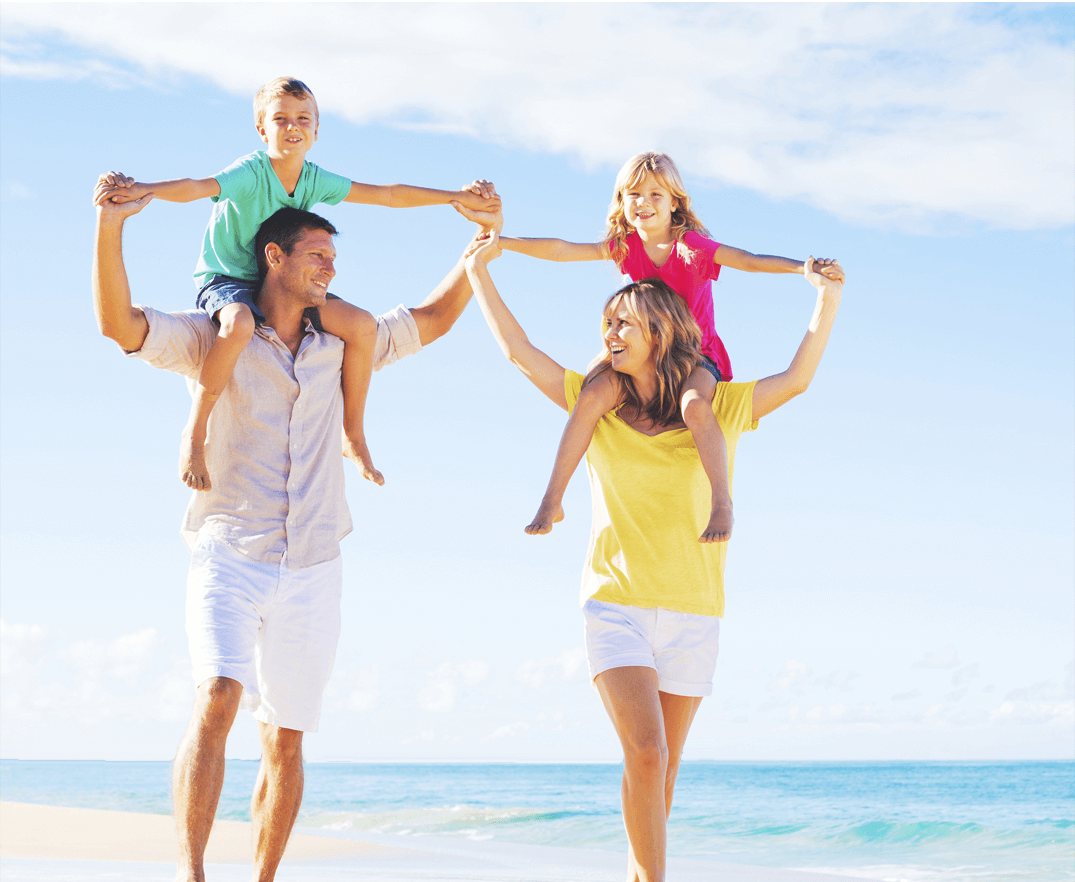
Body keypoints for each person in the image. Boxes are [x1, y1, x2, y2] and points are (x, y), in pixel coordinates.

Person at [92, 186, 493, 882]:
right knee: (217, 696)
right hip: (228, 550)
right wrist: (110, 229)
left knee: (284, 739)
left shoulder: (342, 344)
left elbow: (432, 319)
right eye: (316, 255)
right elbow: (119, 325)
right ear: (273, 257)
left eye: (333, 257)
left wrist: (479, 248)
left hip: (313, 564)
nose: (329, 268)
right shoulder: (213, 335)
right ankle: (190, 874)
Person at [462, 214, 843, 882]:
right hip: (616, 607)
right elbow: (521, 353)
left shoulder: (718, 408)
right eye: (605, 325)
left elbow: (797, 377)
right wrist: (478, 273)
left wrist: (825, 299)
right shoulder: (599, 407)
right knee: (643, 754)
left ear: (659, 336)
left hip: (695, 611)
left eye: (620, 327)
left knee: (661, 770)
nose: (606, 337)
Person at [95, 76, 499, 494]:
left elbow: (388, 195)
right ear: (261, 129)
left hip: (279, 282)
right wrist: (144, 190)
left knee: (361, 324)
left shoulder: (312, 179)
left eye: (303, 118)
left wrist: (457, 197)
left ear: (317, 130)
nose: (293, 127)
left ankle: (353, 436)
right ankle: (195, 436)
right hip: (228, 279)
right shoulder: (251, 172)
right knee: (238, 326)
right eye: (281, 118)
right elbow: (197, 187)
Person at [461, 152, 836, 545]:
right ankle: (552, 499)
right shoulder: (626, 247)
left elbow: (748, 260)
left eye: (656, 194)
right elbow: (561, 249)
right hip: (644, 354)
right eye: (634, 194)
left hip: (696, 354)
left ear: (675, 202)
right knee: (589, 398)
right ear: (622, 202)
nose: (644, 202)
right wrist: (499, 243)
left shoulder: (691, 247)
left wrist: (801, 268)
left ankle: (721, 502)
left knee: (694, 406)